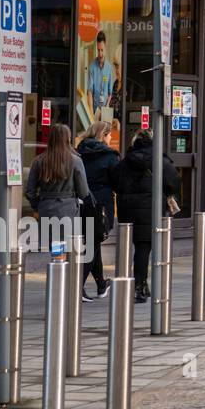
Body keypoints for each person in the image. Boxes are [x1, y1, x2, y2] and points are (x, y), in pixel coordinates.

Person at [114, 130, 176, 304]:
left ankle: (127, 283)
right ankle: (140, 285)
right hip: (150, 209)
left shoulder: (126, 161)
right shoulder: (160, 161)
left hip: (127, 210)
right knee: (143, 248)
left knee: (128, 246)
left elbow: (115, 180)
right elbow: (173, 182)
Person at [25, 125, 93, 272]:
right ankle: (68, 286)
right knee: (71, 250)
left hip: (47, 210)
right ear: (67, 139)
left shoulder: (39, 161)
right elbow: (84, 192)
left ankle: (57, 282)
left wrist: (38, 206)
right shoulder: (75, 161)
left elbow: (29, 191)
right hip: (68, 210)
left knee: (56, 250)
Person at [77, 119, 120, 299]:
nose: (111, 138)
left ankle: (101, 284)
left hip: (82, 203)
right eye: (109, 135)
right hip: (101, 205)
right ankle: (76, 286)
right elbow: (117, 182)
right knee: (93, 244)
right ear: (103, 135)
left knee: (93, 242)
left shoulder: (79, 152)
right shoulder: (110, 156)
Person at [86, 31, 119, 114]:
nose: (100, 53)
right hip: (94, 110)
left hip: (105, 109)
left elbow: (110, 93)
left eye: (102, 50)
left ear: (105, 47)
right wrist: (90, 111)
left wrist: (106, 108)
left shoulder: (109, 68)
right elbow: (90, 91)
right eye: (98, 50)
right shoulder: (92, 67)